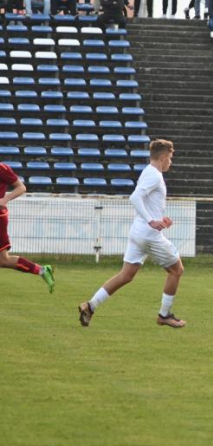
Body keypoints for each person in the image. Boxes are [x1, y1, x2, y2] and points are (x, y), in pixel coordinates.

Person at [78, 140, 186, 330]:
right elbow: (134, 197)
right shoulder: (155, 176)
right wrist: (152, 221)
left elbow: (145, 201)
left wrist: (159, 219)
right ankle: (164, 315)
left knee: (126, 275)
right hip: (148, 234)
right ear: (162, 157)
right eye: (170, 158)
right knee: (176, 270)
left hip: (137, 232)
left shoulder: (147, 171)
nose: (170, 162)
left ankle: (90, 306)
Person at [0, 163, 55, 294]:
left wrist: (4, 200)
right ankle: (42, 270)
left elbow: (21, 187)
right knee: (3, 260)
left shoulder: (2, 168)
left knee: (4, 260)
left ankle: (42, 270)